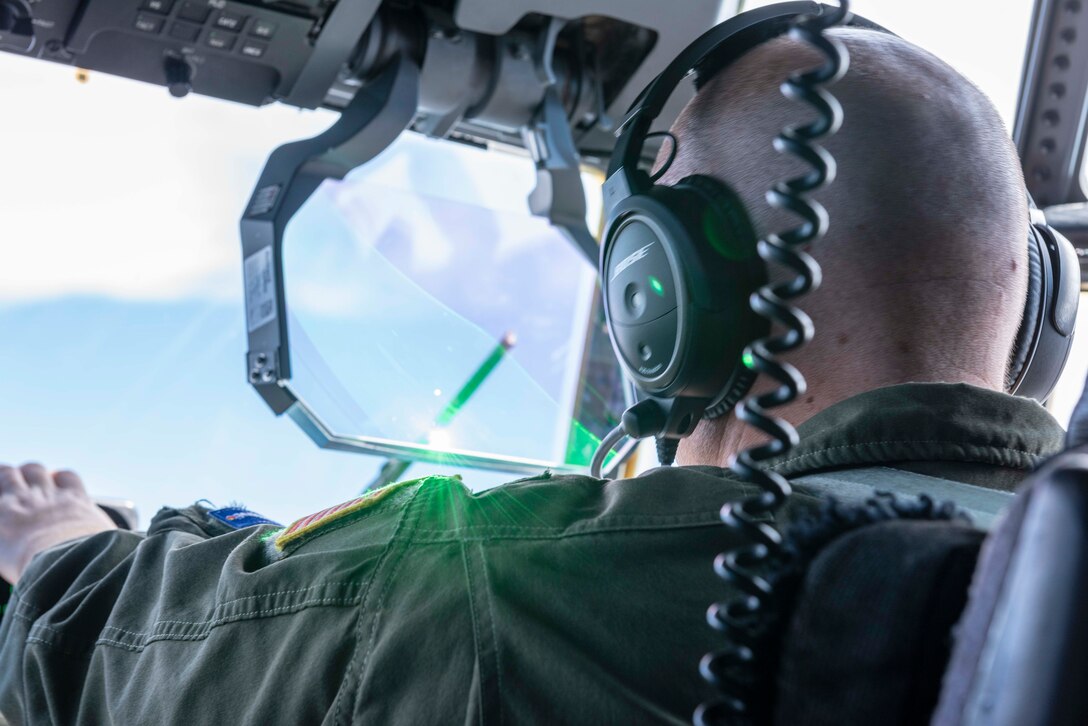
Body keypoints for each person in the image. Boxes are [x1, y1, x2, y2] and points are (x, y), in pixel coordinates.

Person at [0, 27, 1066, 725]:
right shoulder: (1043, 575)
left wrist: (53, 540)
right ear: (1028, 317)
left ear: (661, 291)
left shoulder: (521, 594)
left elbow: (138, 661)